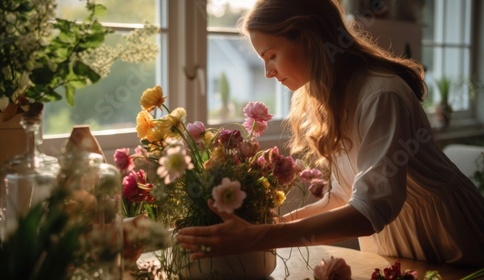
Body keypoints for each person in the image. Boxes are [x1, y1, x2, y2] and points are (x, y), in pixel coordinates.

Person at [177, 0, 484, 267]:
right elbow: (344, 196)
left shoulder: (381, 95)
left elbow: (369, 210)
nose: (268, 72)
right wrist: (274, 224)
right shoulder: (325, 97)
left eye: (272, 55)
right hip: (396, 245)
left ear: (308, 39)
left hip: (452, 240)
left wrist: (259, 237)